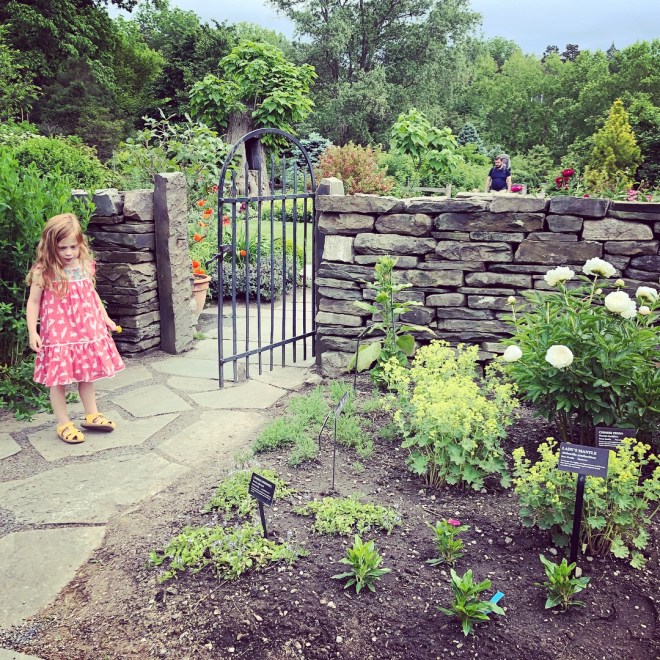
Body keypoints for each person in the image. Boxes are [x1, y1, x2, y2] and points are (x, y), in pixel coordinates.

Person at [26, 213, 125, 444]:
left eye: (73, 246)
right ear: (50, 246)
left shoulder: (84, 266)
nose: (69, 252)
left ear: (81, 243)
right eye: (62, 248)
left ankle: (92, 414)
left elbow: (91, 294)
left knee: (87, 374)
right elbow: (33, 302)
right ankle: (63, 423)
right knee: (58, 380)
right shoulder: (44, 271)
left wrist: (105, 318)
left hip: (86, 329)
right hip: (59, 333)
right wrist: (33, 331)